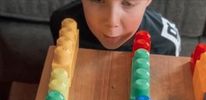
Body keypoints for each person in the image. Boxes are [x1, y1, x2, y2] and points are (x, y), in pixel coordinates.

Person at [50, 0, 181, 56]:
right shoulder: (61, 23)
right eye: (98, 0)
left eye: (127, 3)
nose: (112, 22)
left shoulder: (166, 43)